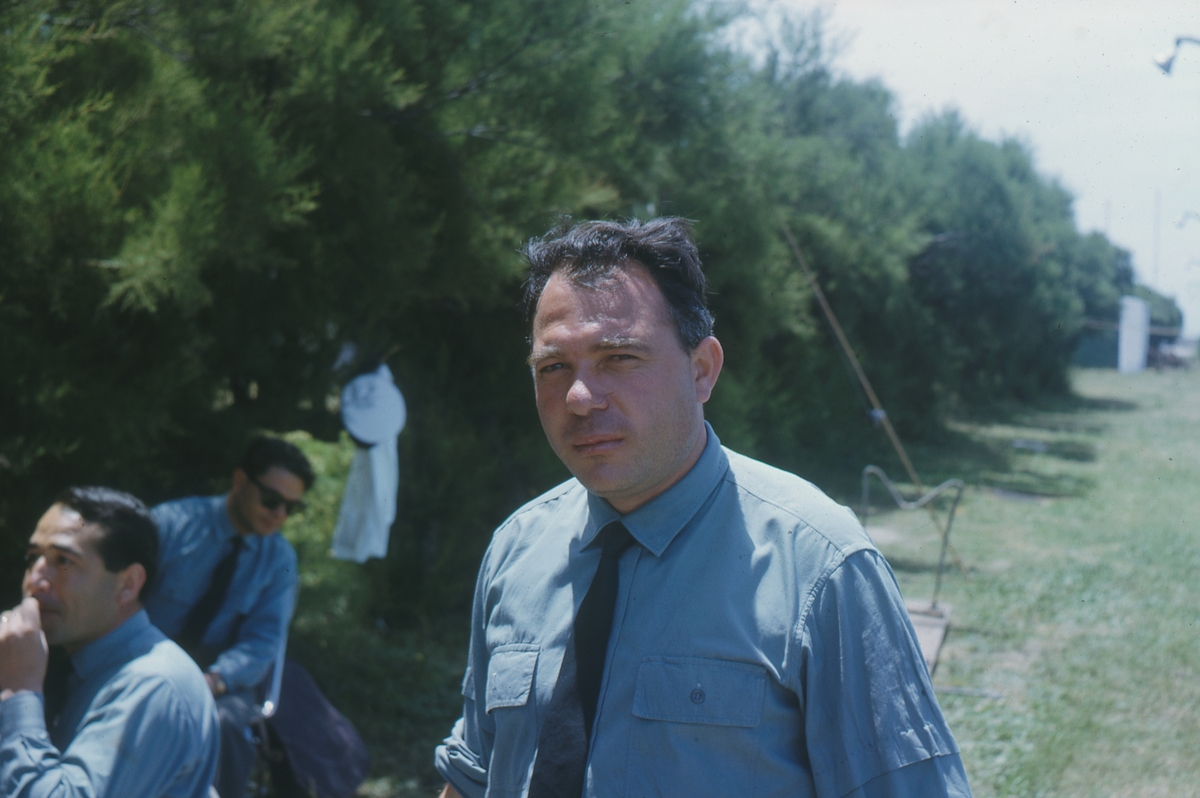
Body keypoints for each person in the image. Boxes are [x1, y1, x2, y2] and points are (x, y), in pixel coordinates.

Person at [434, 218, 972, 797]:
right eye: (553, 367)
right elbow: (474, 776)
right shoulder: (516, 550)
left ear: (702, 370)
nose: (580, 397)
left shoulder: (821, 567)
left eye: (619, 357)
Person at [0, 486, 219, 797]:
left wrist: (19, 692)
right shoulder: (75, 663)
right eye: (33, 557)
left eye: (64, 561)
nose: (35, 579)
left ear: (128, 584)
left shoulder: (153, 684)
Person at [145, 437, 313, 798]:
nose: (279, 514)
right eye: (272, 499)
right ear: (240, 480)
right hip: (142, 656)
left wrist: (216, 680)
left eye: (291, 507)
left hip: (216, 673)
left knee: (226, 724)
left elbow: (263, 641)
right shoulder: (171, 524)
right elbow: (120, 600)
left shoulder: (279, 560)